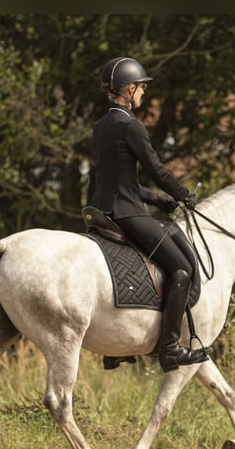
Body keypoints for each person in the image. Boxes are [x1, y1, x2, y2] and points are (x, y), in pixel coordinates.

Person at [89, 56, 210, 372]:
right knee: (182, 268)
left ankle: (113, 347)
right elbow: (156, 169)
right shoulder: (131, 125)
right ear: (129, 89)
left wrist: (160, 202)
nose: (144, 93)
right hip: (127, 215)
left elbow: (120, 182)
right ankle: (169, 347)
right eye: (142, 88)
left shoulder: (101, 127)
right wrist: (183, 196)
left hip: (101, 212)